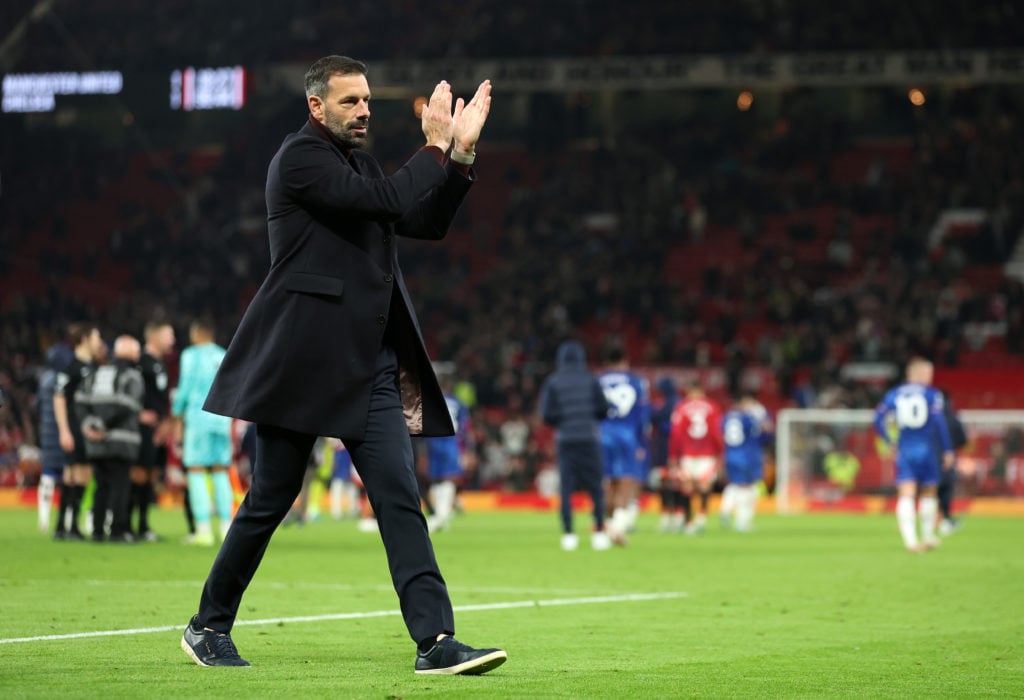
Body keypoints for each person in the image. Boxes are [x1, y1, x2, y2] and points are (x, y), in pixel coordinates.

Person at [180, 55, 505, 675]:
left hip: (369, 364)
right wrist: (433, 148)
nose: (363, 111)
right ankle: (207, 626)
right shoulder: (300, 160)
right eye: (350, 101)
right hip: (302, 360)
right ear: (316, 106)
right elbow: (385, 199)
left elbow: (424, 220)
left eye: (367, 100)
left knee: (398, 494)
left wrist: (458, 157)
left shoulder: (360, 164)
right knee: (270, 499)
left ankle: (435, 641)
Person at [873, 357, 954, 553]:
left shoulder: (894, 394)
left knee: (906, 492)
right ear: (918, 374)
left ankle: (911, 541)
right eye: (928, 373)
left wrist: (888, 440)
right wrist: (948, 449)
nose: (930, 377)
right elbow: (939, 424)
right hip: (927, 448)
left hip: (905, 448)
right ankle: (927, 536)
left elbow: (877, 418)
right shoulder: (932, 394)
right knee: (929, 491)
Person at [538, 339, 612, 552]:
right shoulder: (590, 379)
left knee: (567, 488)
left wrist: (563, 421)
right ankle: (599, 532)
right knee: (596, 488)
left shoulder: (553, 381)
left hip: (566, 439)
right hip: (589, 437)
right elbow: (603, 409)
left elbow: (546, 414)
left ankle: (569, 535)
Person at [171, 319, 234, 546]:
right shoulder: (224, 354)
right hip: (222, 420)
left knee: (196, 470)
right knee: (220, 470)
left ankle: (204, 531)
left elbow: (185, 386)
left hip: (198, 418)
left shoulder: (190, 355)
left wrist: (176, 414)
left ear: (197, 334)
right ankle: (227, 528)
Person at [76, 335, 145, 543]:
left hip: (95, 443)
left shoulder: (95, 373)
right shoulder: (131, 376)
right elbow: (129, 406)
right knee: (120, 486)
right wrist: (104, 427)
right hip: (122, 440)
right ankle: (117, 530)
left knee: (101, 485)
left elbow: (79, 401)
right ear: (132, 354)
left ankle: (97, 531)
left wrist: (90, 425)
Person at [52, 323, 104, 541]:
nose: (99, 343)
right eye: (96, 337)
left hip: (86, 428)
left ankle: (65, 526)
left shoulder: (93, 368)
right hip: (75, 428)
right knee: (76, 475)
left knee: (77, 476)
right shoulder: (71, 368)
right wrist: (64, 430)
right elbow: (59, 398)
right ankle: (67, 525)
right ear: (85, 339)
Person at [597, 345, 650, 543]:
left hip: (603, 434)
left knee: (608, 482)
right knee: (626, 481)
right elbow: (643, 416)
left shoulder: (598, 381)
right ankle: (617, 529)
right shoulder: (637, 382)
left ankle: (604, 526)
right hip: (628, 435)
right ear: (625, 361)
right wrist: (642, 443)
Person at [133, 321, 176, 541]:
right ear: (154, 336)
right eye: (169, 334)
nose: (173, 340)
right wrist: (137, 413)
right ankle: (126, 524)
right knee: (138, 475)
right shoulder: (139, 361)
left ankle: (142, 526)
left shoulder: (159, 364)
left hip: (157, 428)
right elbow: (129, 391)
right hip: (140, 428)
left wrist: (165, 423)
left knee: (150, 476)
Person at [668, 382, 724, 535]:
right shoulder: (712, 407)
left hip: (687, 453)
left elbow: (676, 434)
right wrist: (720, 453)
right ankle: (701, 517)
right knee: (705, 486)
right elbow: (716, 433)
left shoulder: (681, 407)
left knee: (686, 487)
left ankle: (688, 522)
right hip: (707, 454)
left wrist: (673, 455)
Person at [423, 374, 473, 533]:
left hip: (433, 440)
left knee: (436, 479)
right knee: (450, 477)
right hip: (452, 442)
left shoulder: (430, 401)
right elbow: (466, 429)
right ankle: (442, 514)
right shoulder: (460, 404)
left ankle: (438, 514)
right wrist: (468, 450)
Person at [720, 393, 771, 532]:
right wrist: (762, 418)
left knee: (735, 484)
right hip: (747, 456)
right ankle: (742, 521)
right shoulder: (749, 418)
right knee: (748, 487)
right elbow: (765, 434)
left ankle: (725, 509)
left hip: (730, 455)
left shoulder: (725, 417)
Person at [36, 343, 73, 532]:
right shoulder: (64, 379)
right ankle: (66, 517)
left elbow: (38, 407)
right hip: (65, 433)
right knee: (67, 477)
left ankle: (43, 518)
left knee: (48, 476)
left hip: (47, 434)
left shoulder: (44, 379)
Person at [650, 376, 689, 533]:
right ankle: (672, 516)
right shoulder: (671, 402)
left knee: (674, 483)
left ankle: (675, 516)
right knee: (668, 482)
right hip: (668, 448)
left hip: (670, 448)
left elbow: (659, 421)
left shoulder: (672, 404)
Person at [936, 389, 968, 535]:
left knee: (926, 489)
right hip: (948, 458)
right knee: (945, 489)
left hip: (929, 457)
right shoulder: (952, 417)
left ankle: (931, 519)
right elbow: (963, 439)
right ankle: (945, 519)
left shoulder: (930, 416)